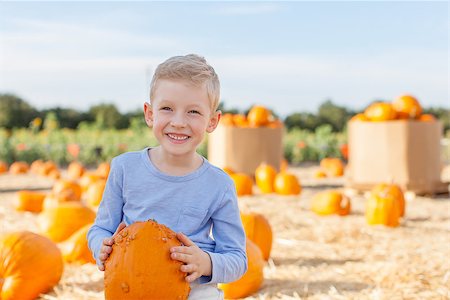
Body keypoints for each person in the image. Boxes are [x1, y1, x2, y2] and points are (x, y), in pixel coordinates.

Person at [87, 54, 247, 299]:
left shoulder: (219, 184)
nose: (179, 122)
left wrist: (205, 263)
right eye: (167, 109)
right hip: (132, 281)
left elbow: (237, 258)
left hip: (193, 288)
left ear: (212, 121)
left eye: (193, 111)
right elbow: (100, 228)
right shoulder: (124, 168)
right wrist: (101, 246)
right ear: (149, 114)